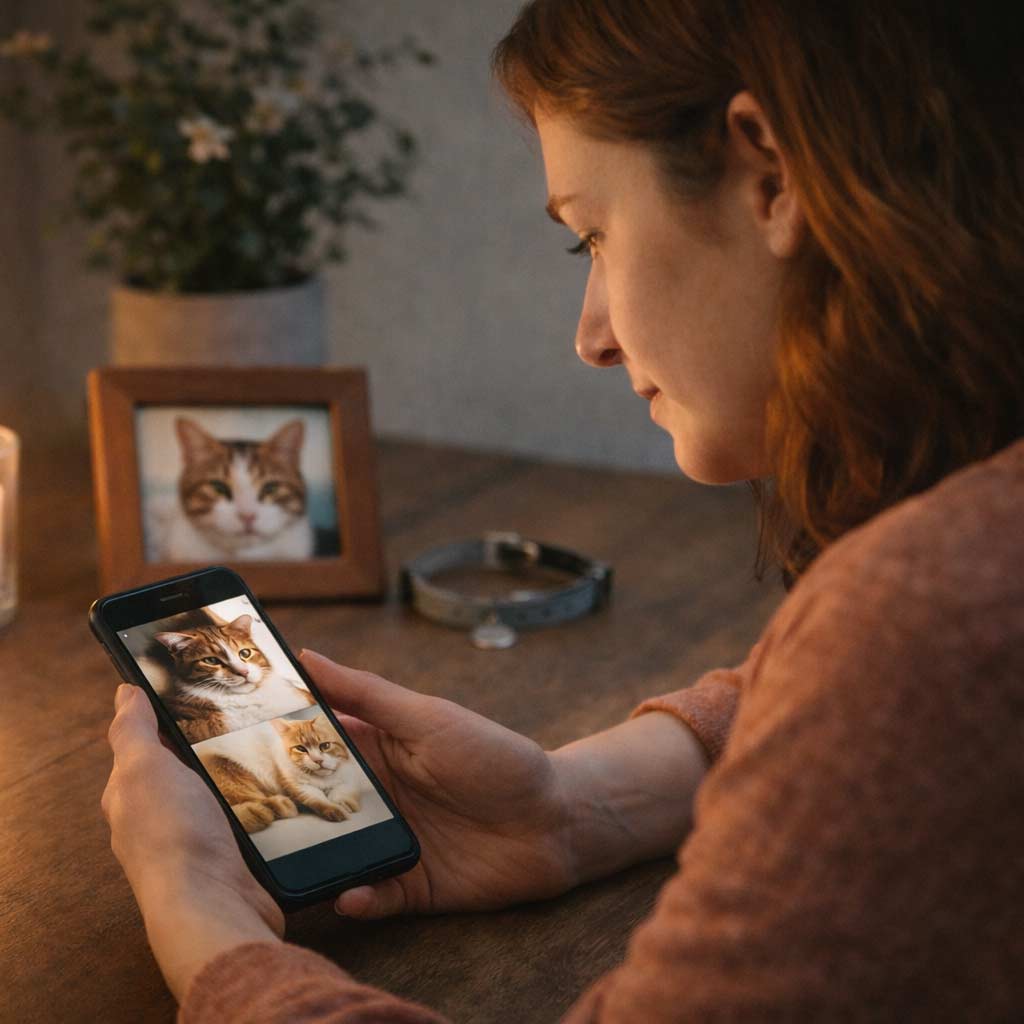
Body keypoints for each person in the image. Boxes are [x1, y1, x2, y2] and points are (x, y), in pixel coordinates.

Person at [102, 0, 1024, 1019]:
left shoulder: (926, 614)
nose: (590, 339)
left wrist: (201, 918)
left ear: (769, 175)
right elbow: (865, 720)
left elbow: (899, 674)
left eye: (592, 233)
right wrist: (572, 807)